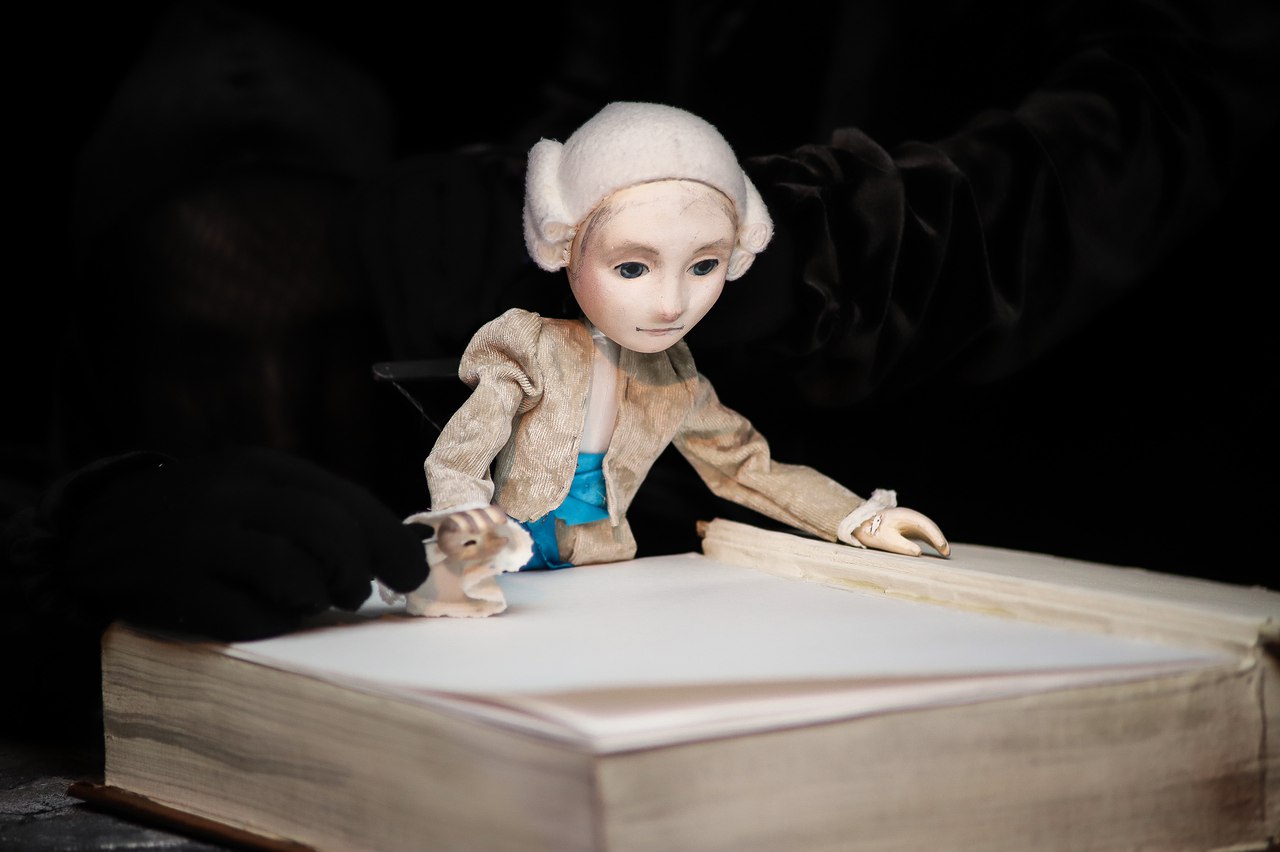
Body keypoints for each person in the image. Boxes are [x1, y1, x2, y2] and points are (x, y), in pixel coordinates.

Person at [412, 102, 949, 613]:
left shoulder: (672, 374)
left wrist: (858, 518)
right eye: (631, 268)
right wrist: (464, 538)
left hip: (601, 565)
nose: (671, 305)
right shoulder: (527, 345)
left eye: (703, 266)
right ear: (564, 246)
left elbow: (743, 464)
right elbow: (460, 457)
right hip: (505, 554)